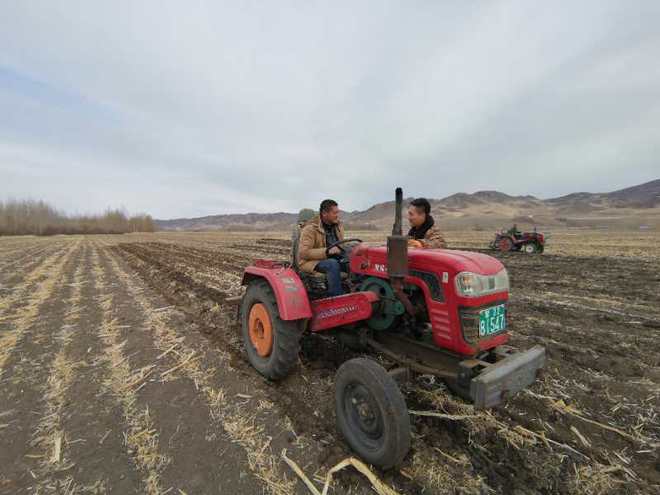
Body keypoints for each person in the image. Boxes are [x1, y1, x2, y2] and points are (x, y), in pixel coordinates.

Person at [297, 199, 346, 296]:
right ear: (324, 213)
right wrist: (327, 252)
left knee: (356, 258)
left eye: (338, 212)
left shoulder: (338, 226)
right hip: (311, 261)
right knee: (332, 264)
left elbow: (340, 244)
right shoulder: (310, 229)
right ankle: (336, 298)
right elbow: (303, 253)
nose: (337, 215)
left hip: (333, 257)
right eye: (334, 213)